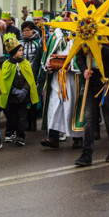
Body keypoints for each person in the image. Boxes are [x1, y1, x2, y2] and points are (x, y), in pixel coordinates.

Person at [73, 33, 109, 166]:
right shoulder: (84, 32)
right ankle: (86, 154)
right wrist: (84, 69)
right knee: (89, 118)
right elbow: (78, 56)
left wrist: (102, 48)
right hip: (91, 80)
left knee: (108, 116)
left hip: (108, 80)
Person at [39, 11, 84, 149]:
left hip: (73, 78)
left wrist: (74, 65)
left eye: (68, 16)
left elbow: (85, 55)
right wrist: (48, 64)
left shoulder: (81, 34)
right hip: (57, 77)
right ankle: (53, 137)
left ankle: (77, 138)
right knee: (54, 105)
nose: (65, 18)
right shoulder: (56, 34)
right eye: (63, 16)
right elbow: (48, 53)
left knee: (73, 105)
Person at [0, 37, 40, 146]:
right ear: (13, 52)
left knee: (22, 116)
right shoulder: (6, 64)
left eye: (22, 50)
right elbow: (5, 80)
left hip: (23, 96)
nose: (22, 52)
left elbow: (29, 79)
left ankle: (21, 136)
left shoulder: (25, 63)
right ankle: (11, 131)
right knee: (12, 116)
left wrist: (24, 90)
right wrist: (14, 90)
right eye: (19, 50)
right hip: (11, 96)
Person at [19, 20, 45, 132]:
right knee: (24, 100)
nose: (25, 32)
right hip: (22, 75)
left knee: (33, 99)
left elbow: (40, 59)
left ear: (33, 31)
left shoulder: (38, 42)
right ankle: (26, 123)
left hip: (34, 74)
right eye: (23, 30)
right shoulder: (20, 43)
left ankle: (33, 123)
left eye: (27, 30)